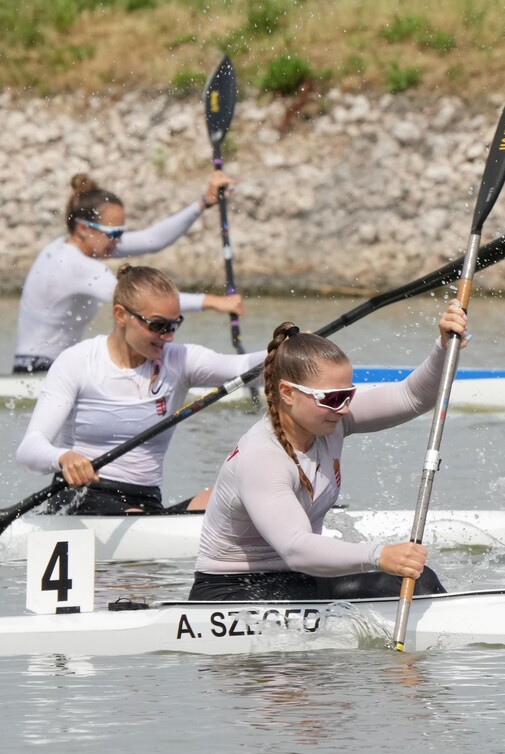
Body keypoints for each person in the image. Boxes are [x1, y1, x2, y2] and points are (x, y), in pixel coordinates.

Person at [186, 303, 467, 601]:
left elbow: (411, 397)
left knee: (419, 581)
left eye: (348, 395)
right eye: (331, 398)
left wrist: (444, 347)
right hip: (233, 590)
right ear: (288, 393)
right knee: (401, 581)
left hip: (299, 580)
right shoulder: (262, 457)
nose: (344, 408)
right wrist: (379, 555)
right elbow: (296, 548)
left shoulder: (332, 422)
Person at [15, 265, 265, 515]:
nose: (168, 337)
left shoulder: (180, 360)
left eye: (174, 325)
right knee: (135, 515)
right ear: (120, 315)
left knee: (235, 496)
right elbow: (29, 449)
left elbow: (244, 367)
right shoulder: (78, 362)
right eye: (157, 325)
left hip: (146, 502)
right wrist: (63, 458)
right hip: (81, 497)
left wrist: (288, 350)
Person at [12, 171, 245, 373]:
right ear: (83, 228)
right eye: (113, 234)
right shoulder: (74, 265)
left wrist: (204, 202)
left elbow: (153, 240)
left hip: (47, 366)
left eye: (121, 233)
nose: (119, 241)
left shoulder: (78, 246)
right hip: (38, 371)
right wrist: (213, 302)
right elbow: (142, 302)